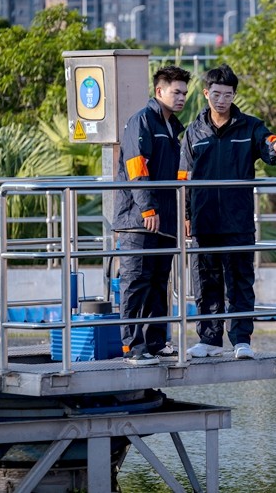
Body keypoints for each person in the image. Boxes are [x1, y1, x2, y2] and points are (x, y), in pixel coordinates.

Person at [179, 64, 276, 360]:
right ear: (206, 93)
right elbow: (183, 177)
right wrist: (186, 215)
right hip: (204, 220)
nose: (221, 100)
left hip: (238, 220)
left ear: (234, 95)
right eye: (216, 94)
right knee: (205, 281)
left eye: (227, 95)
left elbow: (268, 141)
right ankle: (209, 339)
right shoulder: (193, 132)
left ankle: (241, 340)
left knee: (240, 281)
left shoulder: (249, 127)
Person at [114, 65, 191, 366]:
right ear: (159, 91)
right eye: (176, 92)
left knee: (159, 283)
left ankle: (156, 343)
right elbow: (137, 167)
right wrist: (148, 208)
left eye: (184, 93)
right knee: (136, 283)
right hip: (139, 221)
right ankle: (132, 346)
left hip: (165, 221)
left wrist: (182, 214)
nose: (182, 97)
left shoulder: (172, 127)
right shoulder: (142, 121)